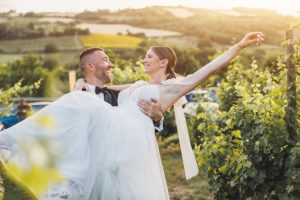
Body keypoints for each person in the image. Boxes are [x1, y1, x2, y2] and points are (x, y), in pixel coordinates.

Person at [0, 32, 264, 200]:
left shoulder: (169, 89)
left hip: (132, 139)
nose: (144, 60)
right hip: (117, 134)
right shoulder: (137, 84)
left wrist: (237, 47)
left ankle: (10, 138)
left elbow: (204, 72)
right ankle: (46, 169)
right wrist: (83, 86)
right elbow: (103, 90)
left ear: (164, 62)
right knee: (80, 106)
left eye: (149, 56)